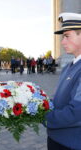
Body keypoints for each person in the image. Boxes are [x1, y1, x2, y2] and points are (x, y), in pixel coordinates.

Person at [45, 12, 81, 150]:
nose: (62, 42)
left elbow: (77, 112)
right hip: (57, 139)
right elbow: (60, 100)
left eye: (67, 36)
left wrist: (44, 117)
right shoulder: (69, 66)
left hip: (72, 143)